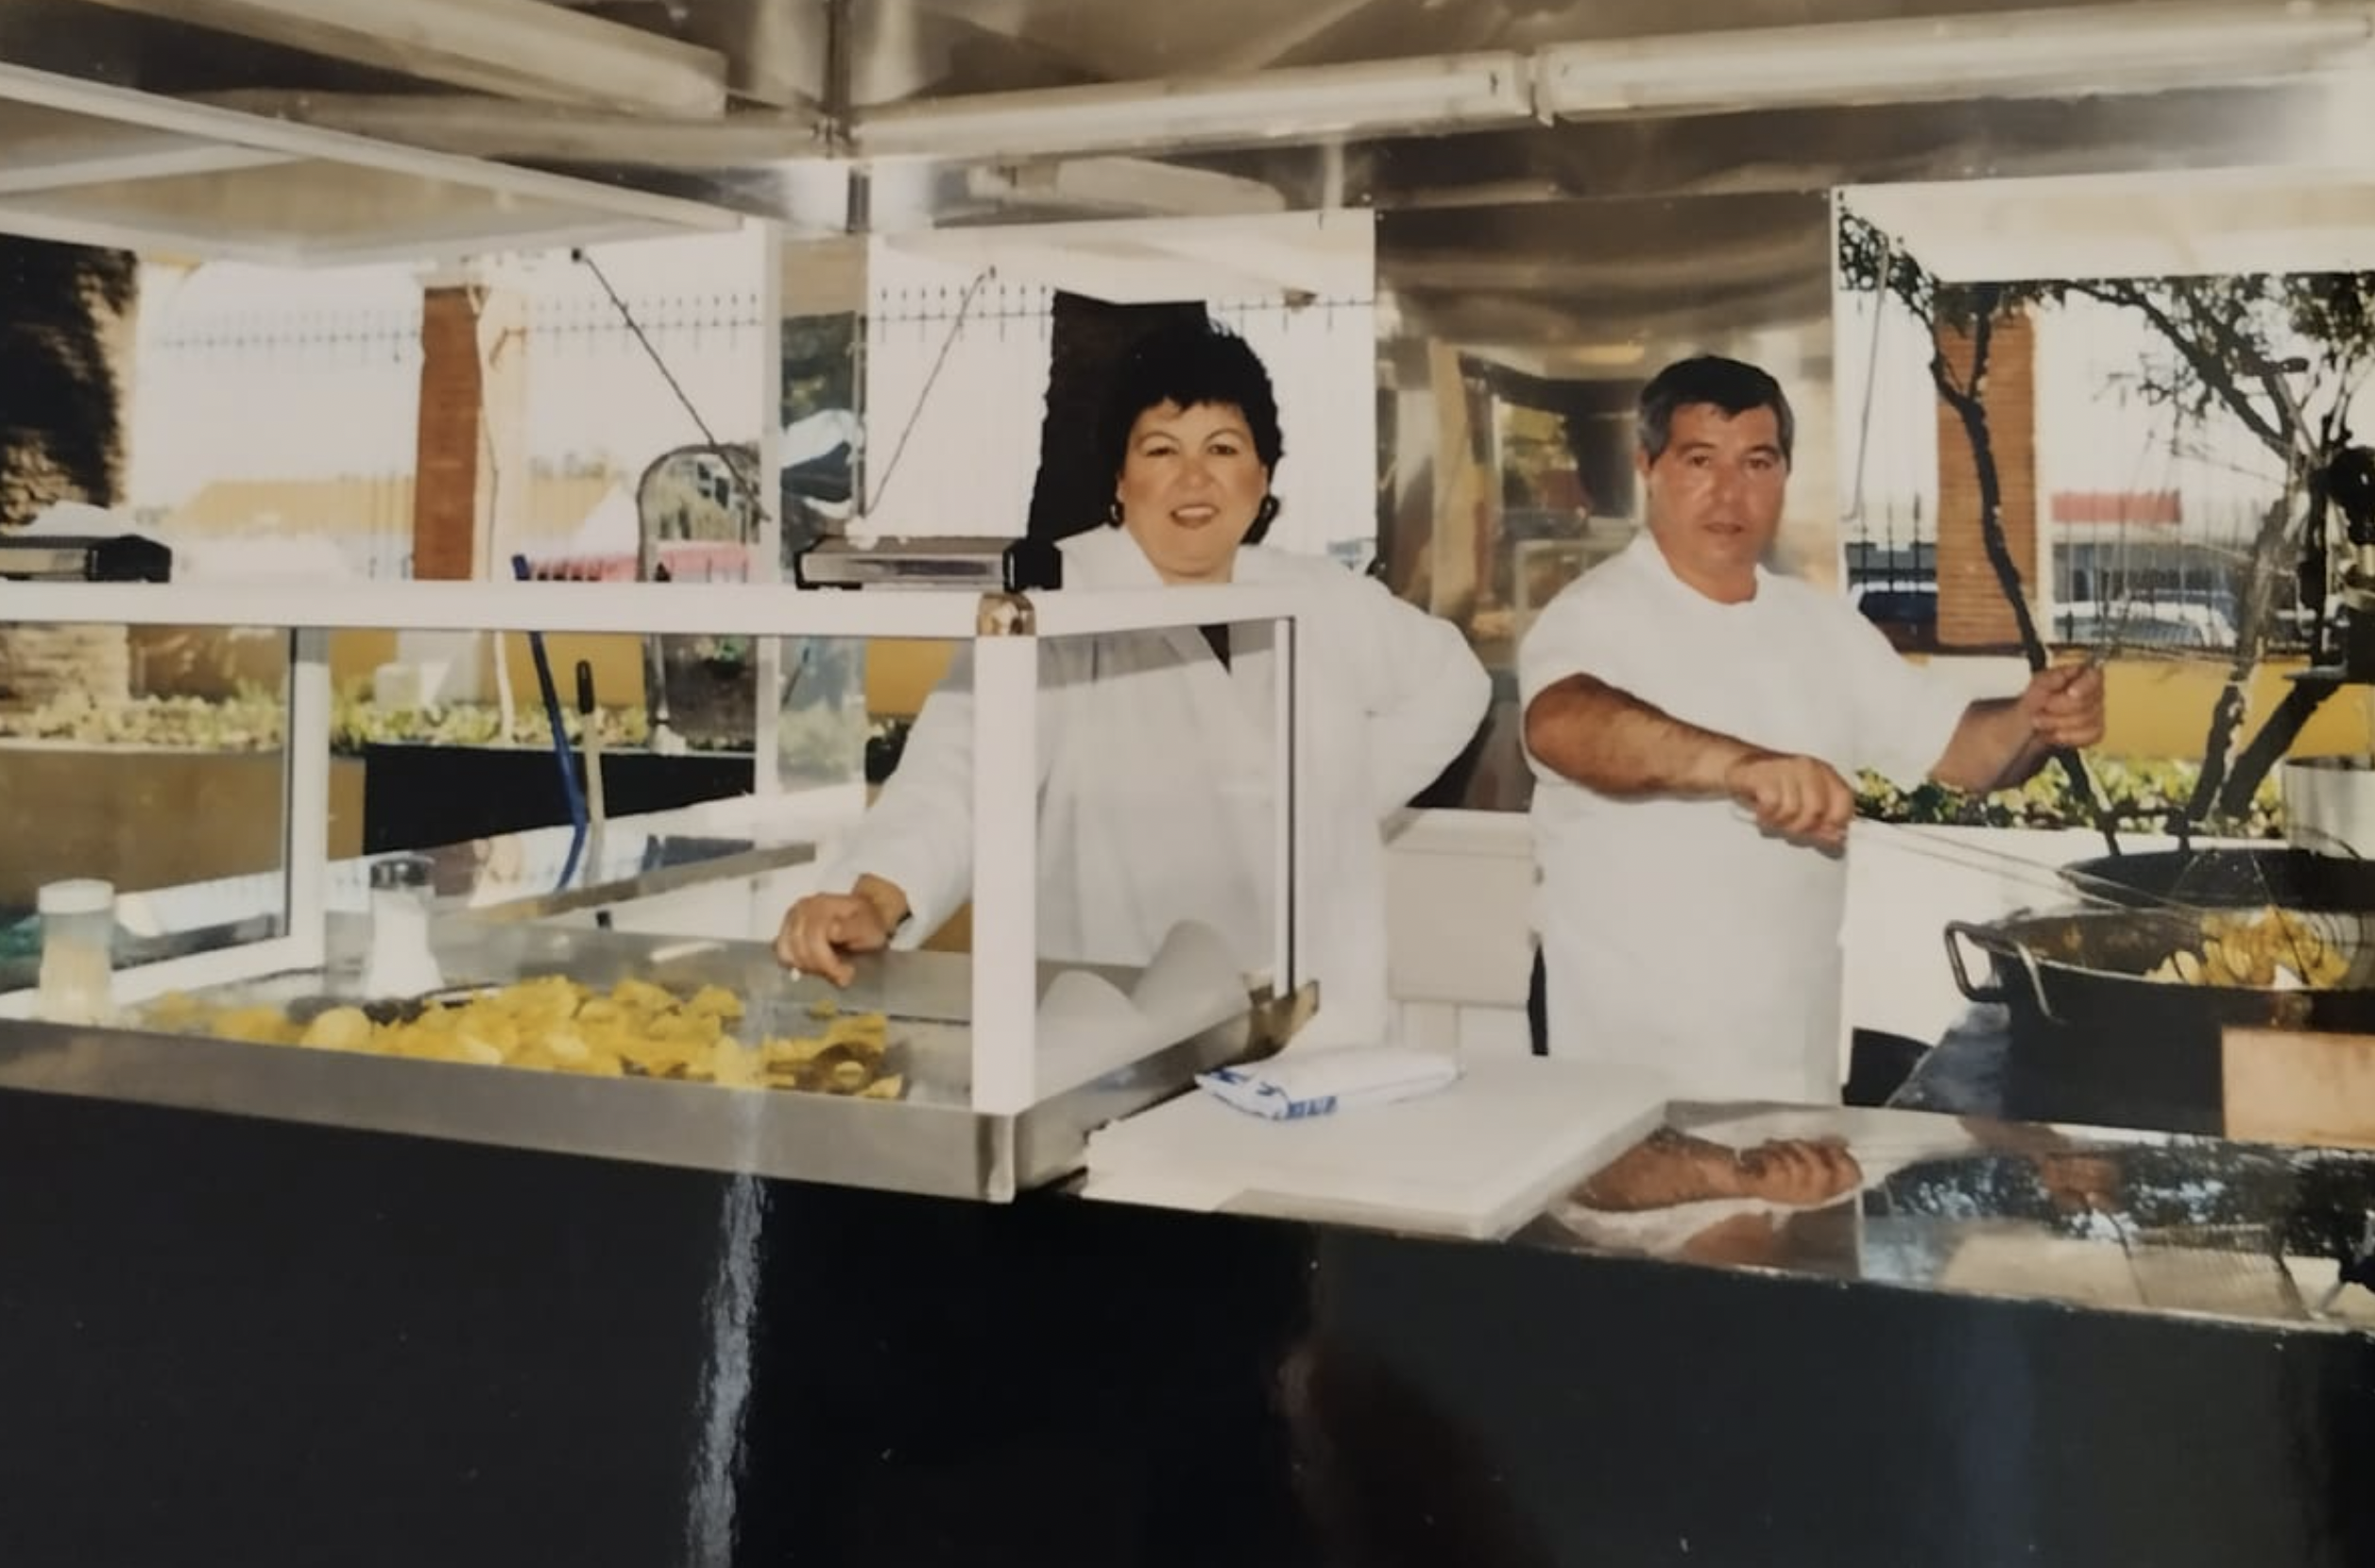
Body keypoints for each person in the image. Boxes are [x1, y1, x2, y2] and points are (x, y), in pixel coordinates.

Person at [775, 317, 1489, 1048]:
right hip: (1117, 1034)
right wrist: (874, 894)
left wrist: (1323, 798)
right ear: (1120, 478)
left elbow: (1453, 687)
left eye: (1223, 448)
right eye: (1160, 450)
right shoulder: (1060, 599)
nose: (1193, 479)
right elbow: (959, 776)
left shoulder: (1320, 596)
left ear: (1263, 473)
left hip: (1318, 1029)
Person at [1519, 354, 2105, 1102]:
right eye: (1701, 460)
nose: (1730, 492)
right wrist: (1741, 766)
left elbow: (1968, 753)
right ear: (1648, 467)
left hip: (1791, 1074)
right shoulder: (1593, 614)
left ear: (1784, 475)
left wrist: (2038, 719)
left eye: (1757, 463)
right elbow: (1564, 725)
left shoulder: (1822, 626)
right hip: (1624, 1075)